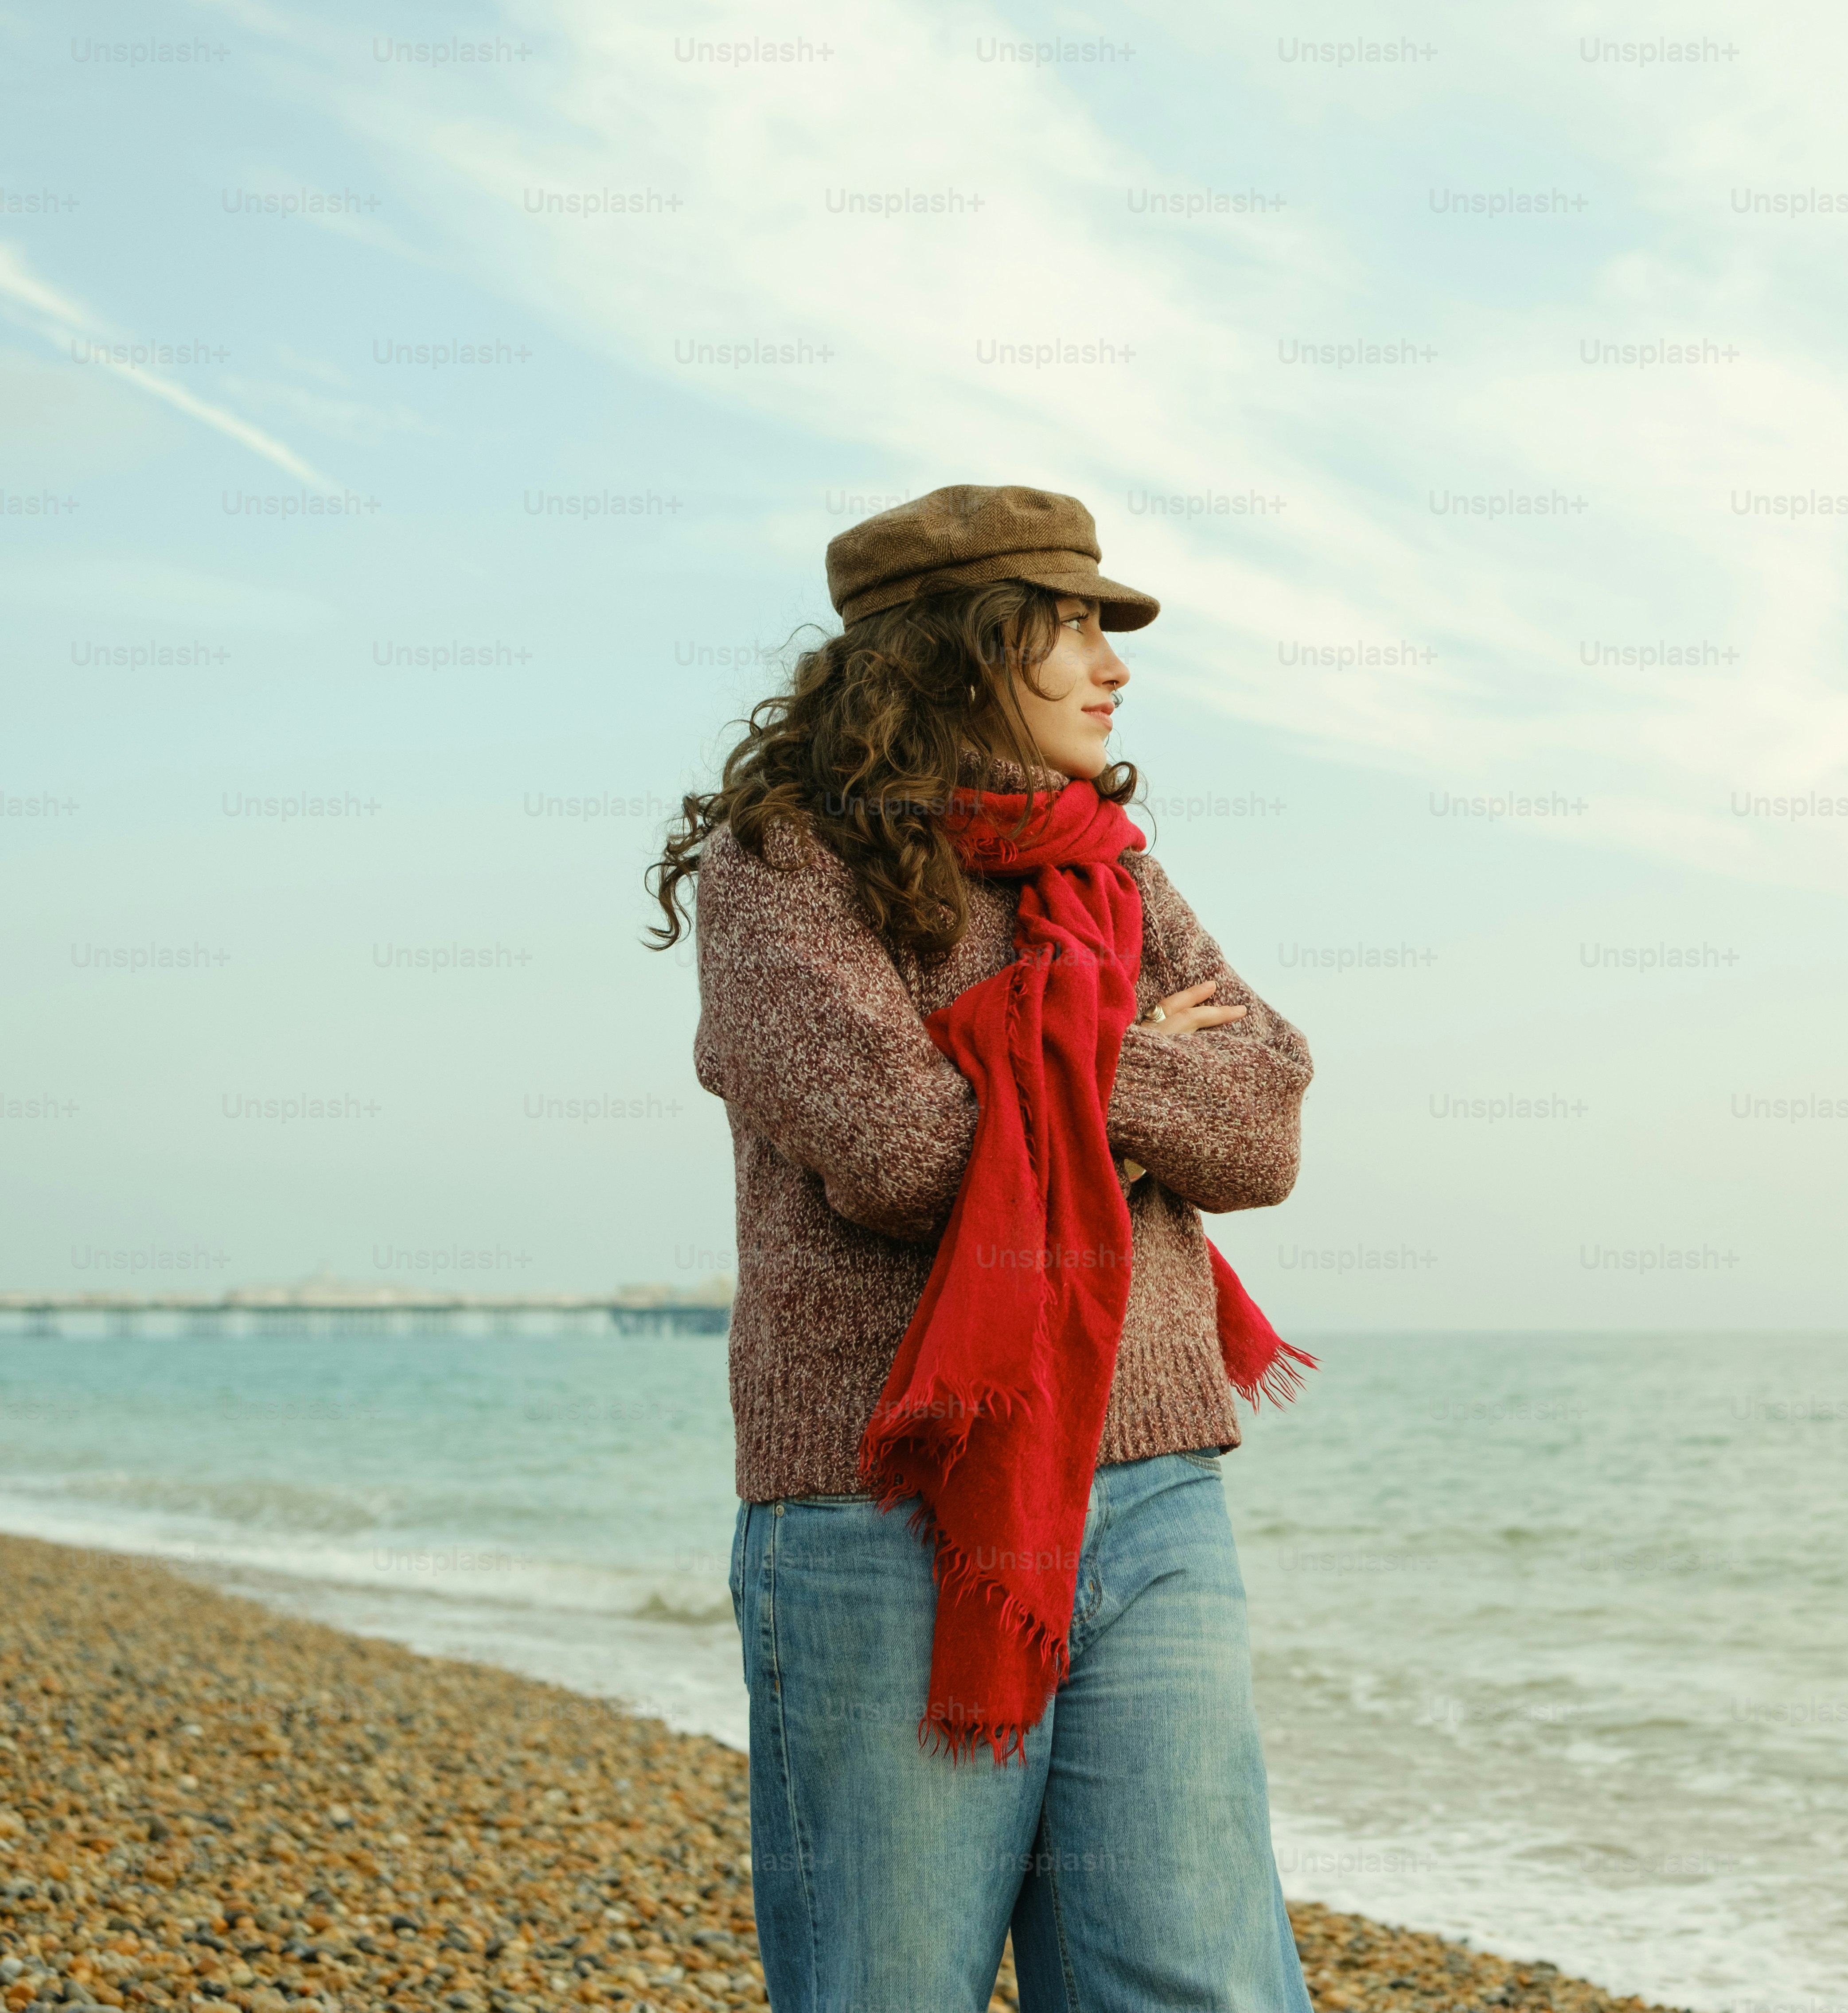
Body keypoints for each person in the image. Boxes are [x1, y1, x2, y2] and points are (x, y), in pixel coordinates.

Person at [647, 484, 1319, 2011]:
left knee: (1197, 1988)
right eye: (1072, 625)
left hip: (1150, 1488)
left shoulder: (1111, 868)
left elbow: (1265, 1122)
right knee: (891, 1989)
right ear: (953, 652)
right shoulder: (783, 870)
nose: (1115, 667)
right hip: (880, 1505)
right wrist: (1135, 1064)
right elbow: (901, 1152)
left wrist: (1027, 1056)